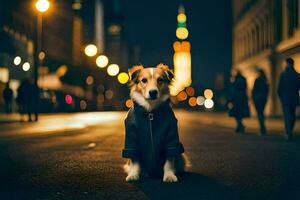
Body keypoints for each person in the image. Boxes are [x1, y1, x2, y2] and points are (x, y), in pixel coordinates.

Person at [277, 58, 300, 141]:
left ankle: (288, 132)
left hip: (285, 99)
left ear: (287, 64)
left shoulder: (283, 74)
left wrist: (281, 97)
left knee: (287, 116)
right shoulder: (297, 75)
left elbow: (279, 88)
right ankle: (290, 130)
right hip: (294, 98)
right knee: (293, 116)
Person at [252, 68, 269, 135]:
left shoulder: (257, 80)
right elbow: (267, 89)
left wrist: (253, 97)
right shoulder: (265, 80)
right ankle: (262, 127)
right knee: (261, 112)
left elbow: (254, 90)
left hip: (257, 98)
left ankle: (262, 127)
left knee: (259, 113)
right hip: (263, 98)